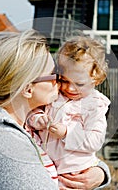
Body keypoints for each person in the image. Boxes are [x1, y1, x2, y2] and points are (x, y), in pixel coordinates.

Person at [0, 30, 110, 190]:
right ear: (27, 89)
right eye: (55, 75)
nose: (61, 84)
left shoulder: (24, 124)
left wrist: (99, 173)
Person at [26, 35, 110, 187]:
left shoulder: (95, 105)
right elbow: (34, 109)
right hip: (47, 164)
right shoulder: (55, 93)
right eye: (64, 80)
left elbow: (95, 141)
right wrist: (36, 118)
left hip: (74, 170)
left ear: (96, 80)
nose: (69, 88)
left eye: (79, 83)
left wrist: (66, 133)